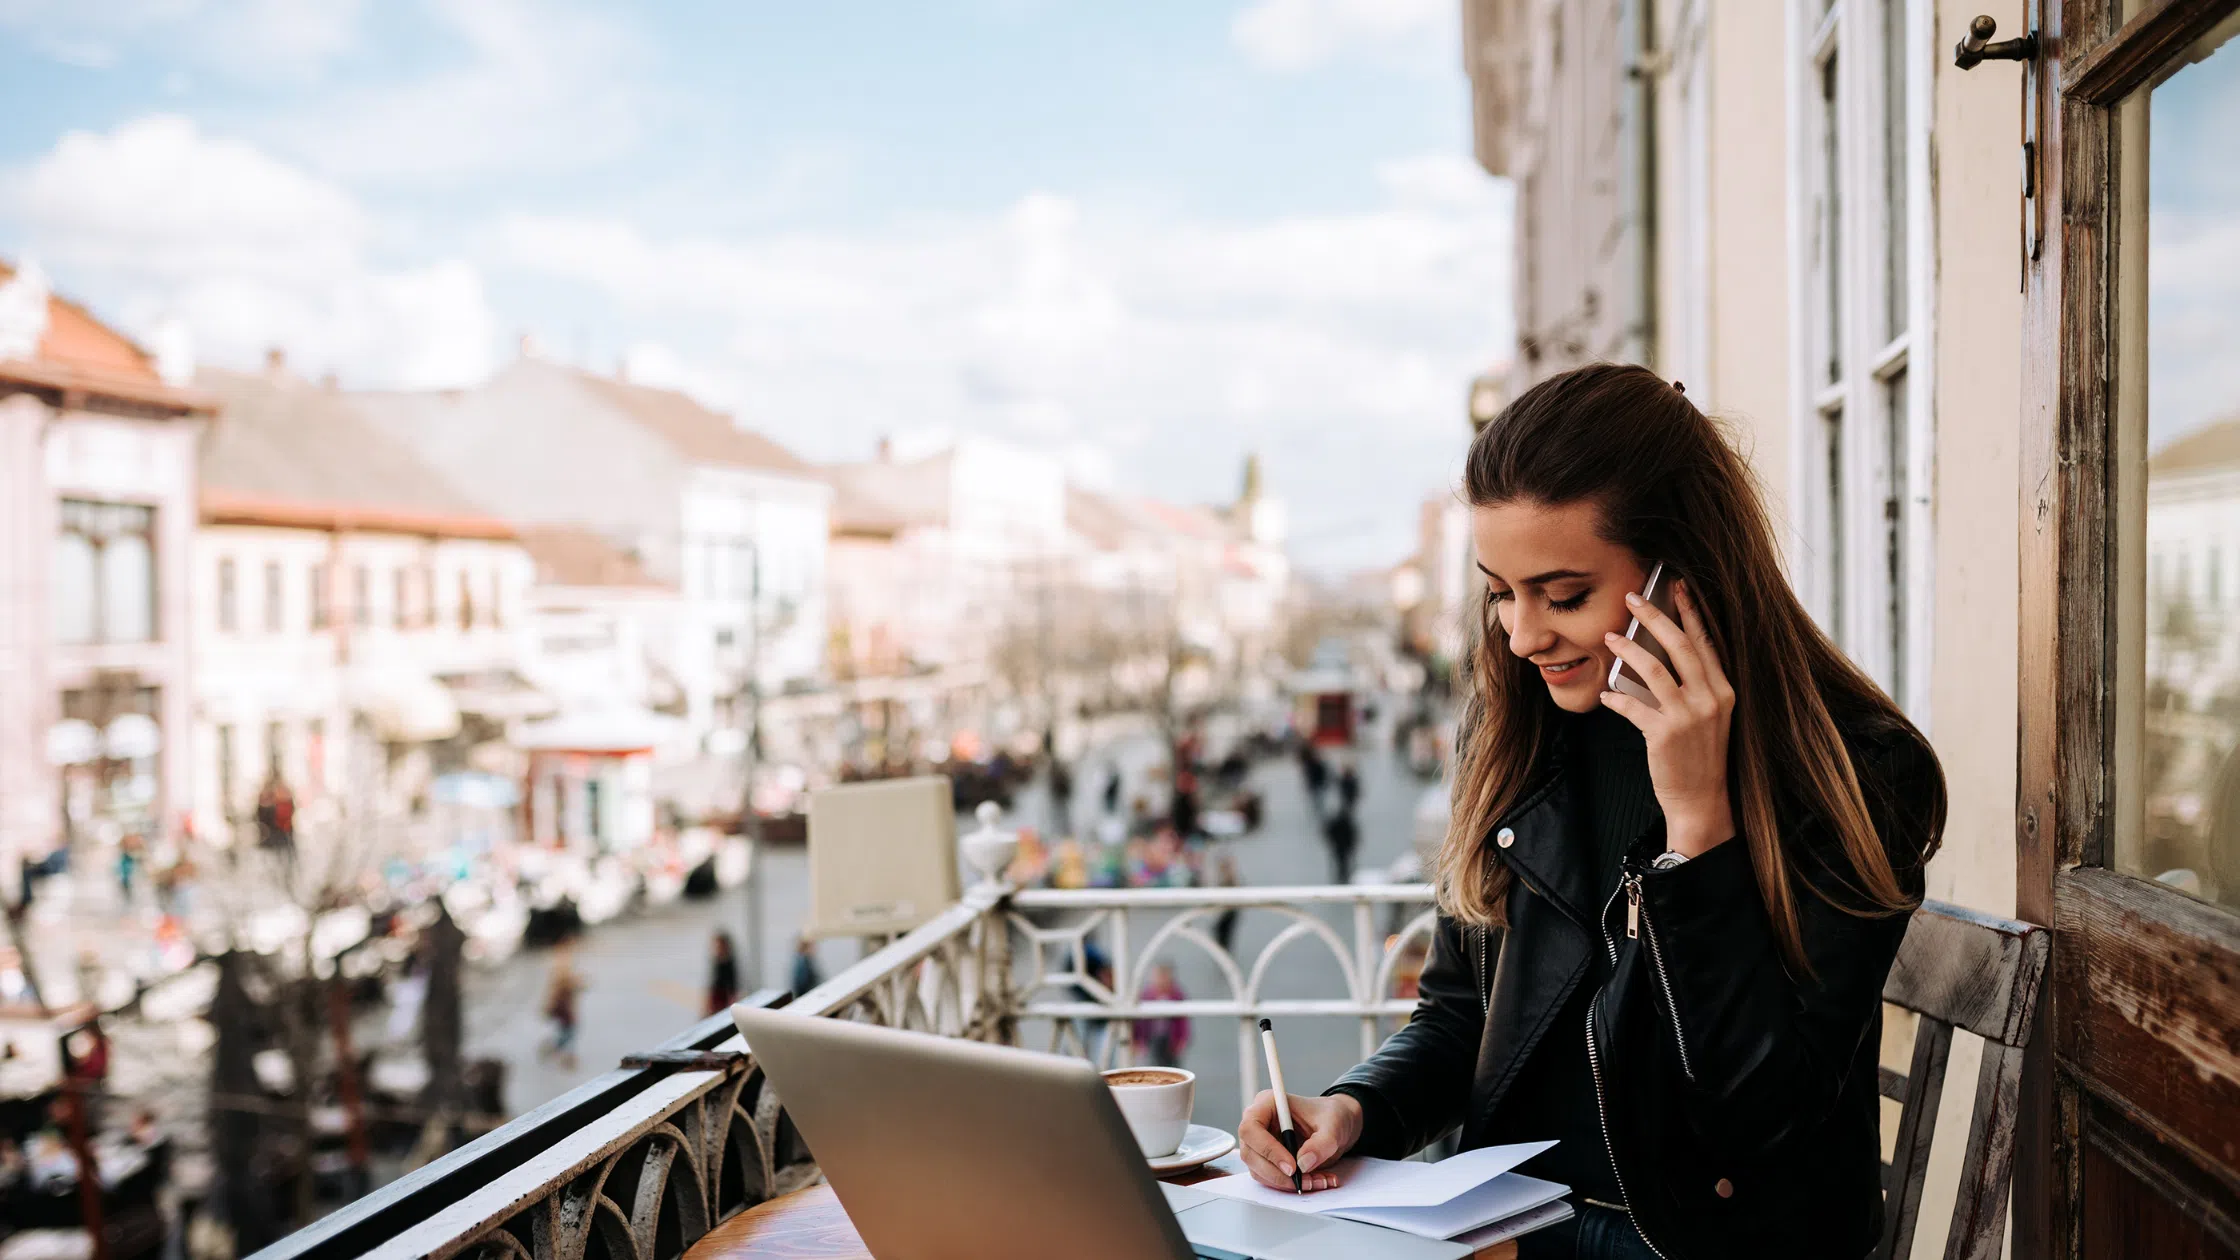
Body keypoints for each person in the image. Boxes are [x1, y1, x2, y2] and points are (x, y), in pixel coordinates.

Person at [1235, 365, 1945, 1260]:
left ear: (1683, 573)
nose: (1524, 635)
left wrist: (1698, 830)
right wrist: (1353, 1109)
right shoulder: (1518, 731)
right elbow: (1465, 1016)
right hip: (1504, 1231)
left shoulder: (1854, 770)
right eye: (1501, 592)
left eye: (1564, 596)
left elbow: (1764, 1116)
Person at [1132, 962, 1190, 1068]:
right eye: (1159, 976)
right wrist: (1137, 1039)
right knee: (1152, 1065)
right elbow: (1139, 1021)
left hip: (1170, 1038)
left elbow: (1182, 1020)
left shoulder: (1176, 995)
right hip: (1151, 1038)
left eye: (1164, 976)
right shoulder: (1146, 996)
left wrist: (1182, 1039)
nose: (1161, 980)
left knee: (1172, 1066)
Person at [539, 946, 583, 1069]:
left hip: (567, 1013)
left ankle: (561, 1053)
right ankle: (557, 1051)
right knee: (568, 1034)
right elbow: (570, 988)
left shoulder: (565, 980)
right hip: (566, 1014)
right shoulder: (563, 982)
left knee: (569, 1034)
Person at [1321, 805, 1360, 885]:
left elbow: (1329, 833)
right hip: (1343, 846)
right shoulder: (1345, 823)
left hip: (1341, 847)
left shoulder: (1338, 823)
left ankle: (1343, 878)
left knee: (1341, 863)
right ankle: (1344, 878)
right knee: (1343, 863)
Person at [706, 932, 740, 1014]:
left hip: (724, 998)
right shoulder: (716, 961)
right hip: (716, 996)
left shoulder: (729, 963)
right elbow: (713, 983)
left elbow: (732, 984)